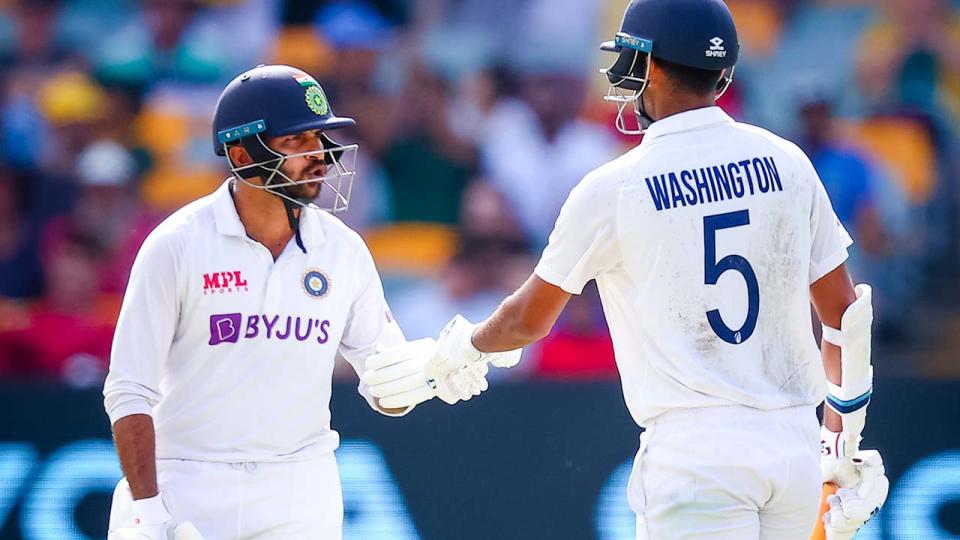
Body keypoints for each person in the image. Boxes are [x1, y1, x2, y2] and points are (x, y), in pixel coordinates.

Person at [363, 1, 889, 538]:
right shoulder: (788, 162)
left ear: (654, 68)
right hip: (794, 447)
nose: (624, 76)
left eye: (632, 61)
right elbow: (845, 318)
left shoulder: (614, 187)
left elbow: (528, 320)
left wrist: (456, 352)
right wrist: (839, 446)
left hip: (695, 456)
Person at [102, 64, 493, 540]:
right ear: (242, 153)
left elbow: (383, 388)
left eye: (318, 138)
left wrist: (429, 374)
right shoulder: (177, 245)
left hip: (300, 488)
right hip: (187, 481)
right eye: (296, 141)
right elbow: (129, 390)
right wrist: (146, 509)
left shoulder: (343, 250)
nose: (320, 157)